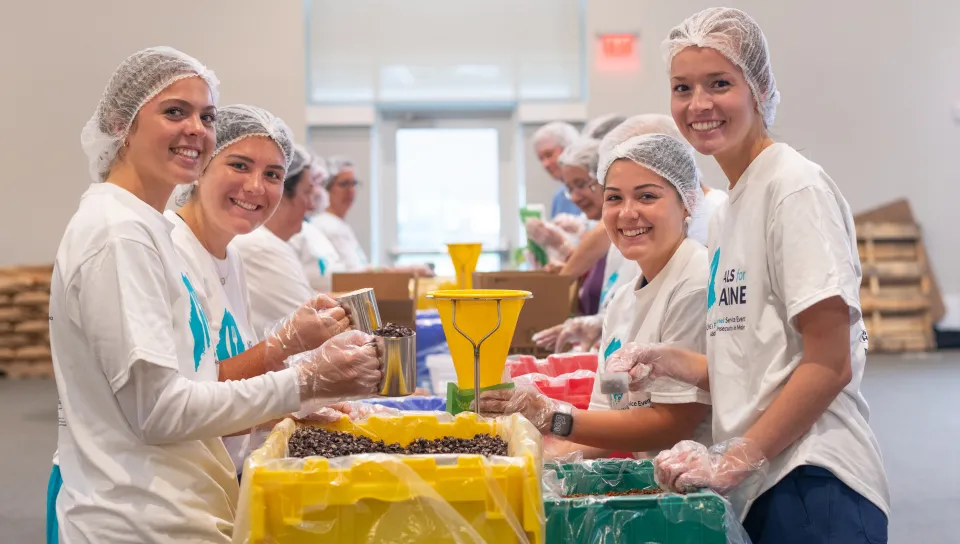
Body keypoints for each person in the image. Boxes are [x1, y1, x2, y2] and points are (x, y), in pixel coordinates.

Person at [49, 47, 382, 544]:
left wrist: (286, 401)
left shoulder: (147, 229)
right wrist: (302, 379)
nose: (196, 129)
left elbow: (199, 382)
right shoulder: (119, 236)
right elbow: (160, 412)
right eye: (174, 112)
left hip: (182, 504)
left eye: (206, 116)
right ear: (120, 123)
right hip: (138, 520)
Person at [606, 8, 889, 543]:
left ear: (758, 89)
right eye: (682, 87)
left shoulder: (794, 189)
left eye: (719, 84)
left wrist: (735, 458)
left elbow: (829, 364)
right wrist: (675, 362)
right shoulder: (733, 206)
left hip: (813, 477)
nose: (699, 105)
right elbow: (760, 358)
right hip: (762, 479)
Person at [167, 105, 383, 472]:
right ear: (200, 166)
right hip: (153, 491)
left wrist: (296, 408)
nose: (255, 186)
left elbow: (228, 393)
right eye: (239, 165)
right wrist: (288, 356)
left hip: (213, 476)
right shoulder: (167, 250)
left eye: (272, 174)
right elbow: (177, 405)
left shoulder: (231, 256)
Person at [476, 134, 712, 461]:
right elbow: (610, 419)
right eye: (614, 198)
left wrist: (552, 415)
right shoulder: (623, 300)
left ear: (686, 202)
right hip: (649, 480)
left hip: (694, 493)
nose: (627, 213)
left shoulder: (695, 280)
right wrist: (535, 457)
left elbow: (671, 424)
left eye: (646, 196)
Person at [232, 145, 320, 334]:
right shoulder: (259, 246)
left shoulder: (267, 243)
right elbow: (314, 327)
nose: (312, 205)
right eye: (307, 193)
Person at [310, 156, 433, 277]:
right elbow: (353, 274)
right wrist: (407, 271)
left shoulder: (338, 224)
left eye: (354, 183)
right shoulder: (325, 225)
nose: (350, 190)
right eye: (344, 184)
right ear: (325, 188)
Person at [290, 152, 347, 292]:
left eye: (321, 184)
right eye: (313, 186)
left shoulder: (310, 228)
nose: (318, 192)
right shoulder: (288, 234)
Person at [530, 121, 582, 218]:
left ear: (570, 149)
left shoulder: (598, 187)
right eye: (541, 159)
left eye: (549, 155)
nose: (545, 164)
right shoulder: (560, 197)